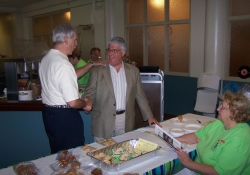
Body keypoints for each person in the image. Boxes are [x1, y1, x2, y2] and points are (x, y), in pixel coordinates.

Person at [83, 36, 161, 140]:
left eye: (114, 50)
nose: (110, 53)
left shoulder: (133, 71)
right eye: (109, 50)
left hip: (125, 120)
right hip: (103, 120)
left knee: (124, 152)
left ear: (123, 53)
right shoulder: (97, 70)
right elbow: (89, 92)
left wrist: (149, 116)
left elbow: (140, 96)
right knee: (102, 154)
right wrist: (87, 101)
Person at [39, 23, 92, 154]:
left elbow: (66, 77)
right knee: (72, 157)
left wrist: (88, 66)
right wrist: (85, 103)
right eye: (74, 40)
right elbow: (73, 102)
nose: (75, 44)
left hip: (50, 115)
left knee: (59, 157)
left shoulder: (46, 59)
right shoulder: (63, 64)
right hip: (65, 119)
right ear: (66, 39)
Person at [174, 91, 250, 175]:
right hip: (197, 170)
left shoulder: (240, 139)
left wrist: (189, 163)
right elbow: (196, 137)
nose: (218, 109)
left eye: (222, 107)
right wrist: (174, 140)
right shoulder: (219, 123)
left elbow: (219, 172)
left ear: (235, 112)